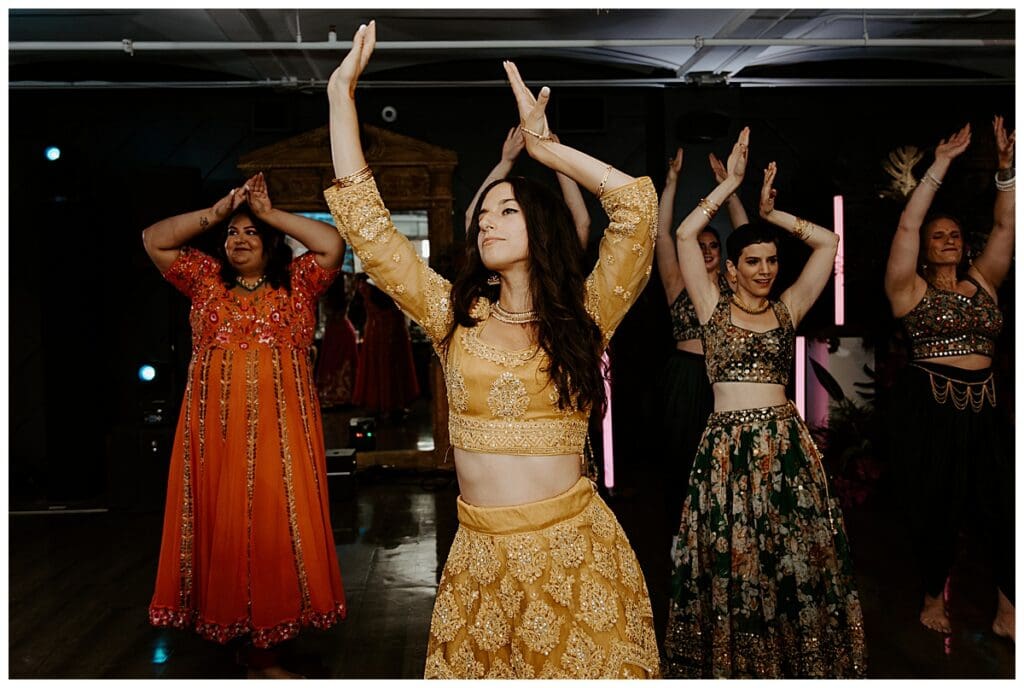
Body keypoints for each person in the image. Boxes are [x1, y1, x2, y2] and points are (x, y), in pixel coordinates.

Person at [324, 22, 661, 678]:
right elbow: (371, 230)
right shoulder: (456, 318)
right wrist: (341, 97)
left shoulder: (586, 318)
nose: (487, 221)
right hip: (479, 562)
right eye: (485, 214)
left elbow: (637, 208)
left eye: (507, 211)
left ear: (543, 226)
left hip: (575, 558)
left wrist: (548, 151)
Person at [663, 129, 866, 678]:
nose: (765, 270)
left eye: (771, 261)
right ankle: (737, 660)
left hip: (785, 447)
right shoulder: (711, 308)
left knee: (790, 556)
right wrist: (728, 183)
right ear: (731, 269)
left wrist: (774, 216)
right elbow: (685, 235)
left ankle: (793, 658)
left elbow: (828, 244)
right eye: (752, 261)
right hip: (728, 449)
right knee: (735, 558)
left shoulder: (788, 309)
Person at [142, 172, 347, 678]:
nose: (238, 239)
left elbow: (331, 244)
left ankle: (265, 649)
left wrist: (267, 210)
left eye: (250, 232)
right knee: (226, 528)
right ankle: (238, 633)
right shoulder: (203, 279)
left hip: (282, 433)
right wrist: (218, 211)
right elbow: (153, 239)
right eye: (232, 233)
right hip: (215, 432)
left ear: (271, 242)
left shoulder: (298, 283)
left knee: (275, 526)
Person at [883, 117, 1015, 639]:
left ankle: (1008, 609)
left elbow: (1006, 227)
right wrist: (939, 165)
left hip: (986, 407)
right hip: (932, 407)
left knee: (1001, 503)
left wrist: (1007, 170)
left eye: (955, 235)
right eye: (940, 236)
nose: (949, 241)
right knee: (938, 503)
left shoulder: (983, 281)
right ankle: (932, 596)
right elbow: (907, 228)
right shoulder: (908, 290)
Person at [653, 148, 746, 549]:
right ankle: (682, 539)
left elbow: (748, 237)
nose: (707, 250)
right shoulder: (679, 285)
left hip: (725, 380)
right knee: (682, 459)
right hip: (685, 376)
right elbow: (661, 235)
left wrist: (732, 188)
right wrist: (672, 183)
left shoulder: (738, 287)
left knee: (728, 464)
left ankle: (726, 536)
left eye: (714, 245)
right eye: (701, 245)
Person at [467, 126, 591, 247]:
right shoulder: (484, 248)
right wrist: (506, 162)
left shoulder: (562, 263)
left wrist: (556, 159)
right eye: (482, 217)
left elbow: (581, 223)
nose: (484, 223)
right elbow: (471, 217)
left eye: (508, 210)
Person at [351, 274, 421, 416]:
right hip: (390, 328)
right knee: (393, 366)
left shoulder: (365, 282)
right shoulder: (391, 277)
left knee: (381, 365)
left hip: (378, 329)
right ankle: (393, 404)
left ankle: (382, 404)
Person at [316, 274, 359, 408]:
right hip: (345, 330)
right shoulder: (346, 289)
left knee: (331, 363)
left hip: (332, 331)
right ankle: (346, 394)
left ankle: (332, 394)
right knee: (343, 364)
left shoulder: (324, 290)